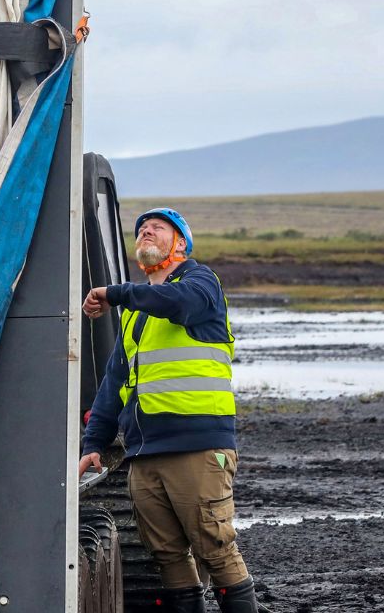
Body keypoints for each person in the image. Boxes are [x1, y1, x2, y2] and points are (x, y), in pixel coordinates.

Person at [78, 207, 255, 613]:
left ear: (180, 245)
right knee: (168, 559)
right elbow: (114, 384)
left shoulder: (200, 282)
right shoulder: (136, 315)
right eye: (141, 230)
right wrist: (95, 444)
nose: (146, 232)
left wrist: (114, 293)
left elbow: (177, 302)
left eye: (159, 228)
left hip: (197, 447)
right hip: (145, 454)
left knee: (216, 550)